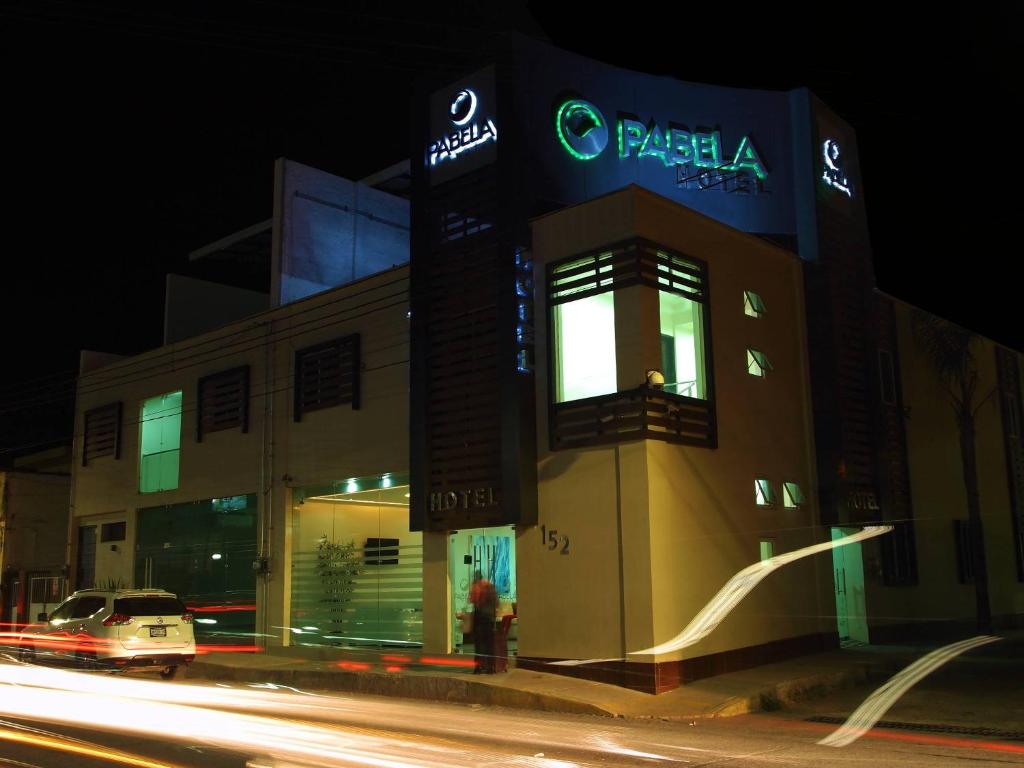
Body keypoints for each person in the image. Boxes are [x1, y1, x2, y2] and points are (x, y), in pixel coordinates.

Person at [469, 570, 497, 674]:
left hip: (480, 617)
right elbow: (496, 602)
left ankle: (479, 667)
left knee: (479, 644)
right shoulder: (490, 586)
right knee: (490, 644)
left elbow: (473, 600)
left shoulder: (476, 586)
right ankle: (491, 667)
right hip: (490, 618)